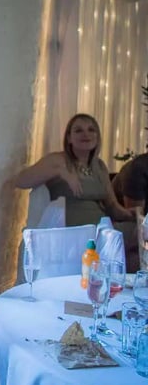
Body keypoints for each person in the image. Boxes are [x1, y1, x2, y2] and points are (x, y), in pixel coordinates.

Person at [14, 113, 138, 269]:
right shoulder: (58, 160)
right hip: (73, 233)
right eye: (78, 130)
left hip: (102, 230)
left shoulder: (99, 166)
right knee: (136, 241)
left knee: (138, 251)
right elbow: (21, 181)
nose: (86, 134)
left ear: (97, 137)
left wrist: (133, 214)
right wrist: (61, 172)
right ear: (69, 138)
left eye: (91, 130)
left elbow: (112, 205)